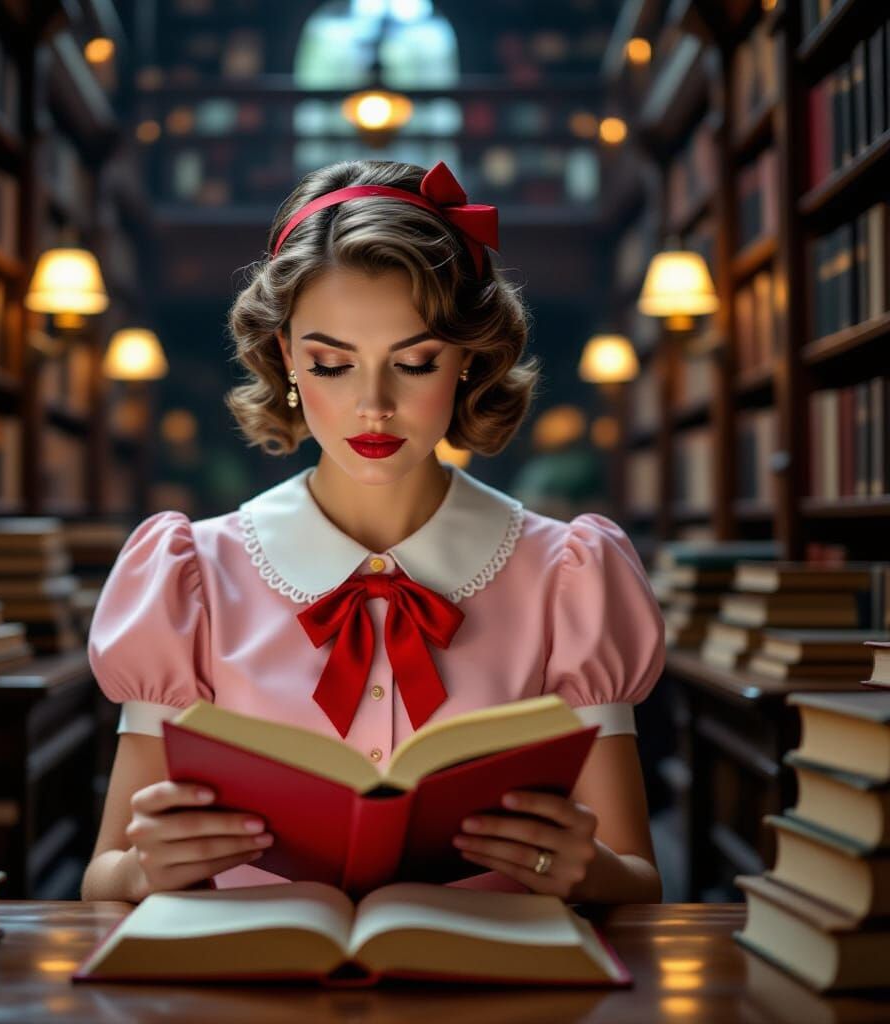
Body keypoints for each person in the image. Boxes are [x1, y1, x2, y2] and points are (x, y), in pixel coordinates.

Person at [81, 159, 665, 905]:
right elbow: (101, 876)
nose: (373, 406)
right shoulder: (189, 573)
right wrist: (141, 869)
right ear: (288, 356)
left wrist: (591, 871)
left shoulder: (569, 577)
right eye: (331, 364)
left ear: (468, 360)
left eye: (416, 362)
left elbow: (641, 882)